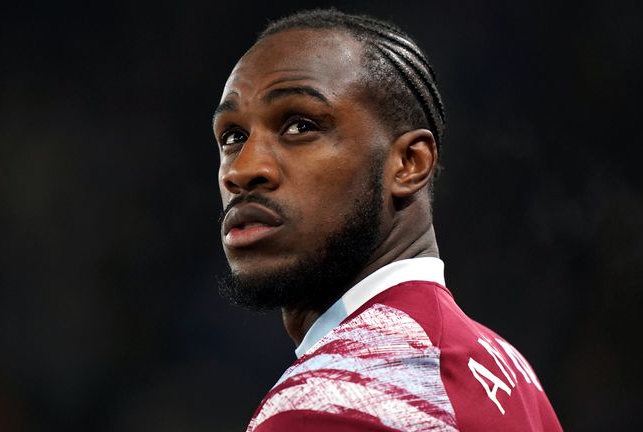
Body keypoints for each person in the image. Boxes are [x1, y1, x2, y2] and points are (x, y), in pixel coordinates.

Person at [213, 8, 563, 431]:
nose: (241, 170)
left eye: (299, 125)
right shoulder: (507, 370)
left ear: (409, 163)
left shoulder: (328, 403)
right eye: (233, 136)